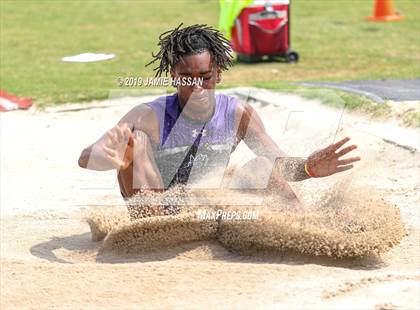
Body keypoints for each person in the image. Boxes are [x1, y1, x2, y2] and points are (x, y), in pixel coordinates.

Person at [78, 24, 360, 216]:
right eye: (188, 79)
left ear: (219, 74)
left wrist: (310, 168)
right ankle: (154, 232)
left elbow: (280, 165)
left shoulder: (238, 114)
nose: (198, 87)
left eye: (206, 77)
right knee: (133, 140)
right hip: (157, 216)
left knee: (261, 166)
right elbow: (87, 156)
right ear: (174, 77)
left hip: (208, 211)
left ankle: (305, 226)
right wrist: (109, 156)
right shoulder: (148, 115)